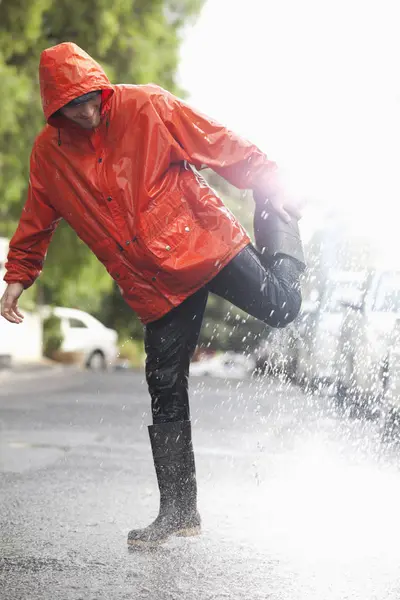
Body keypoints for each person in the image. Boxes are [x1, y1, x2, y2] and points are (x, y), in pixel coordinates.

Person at [1, 42, 306, 548]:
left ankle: (283, 219)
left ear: (100, 83)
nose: (85, 110)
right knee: (164, 384)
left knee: (283, 307)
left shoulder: (147, 105)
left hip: (205, 241)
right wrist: (19, 275)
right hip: (157, 283)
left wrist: (270, 182)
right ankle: (179, 511)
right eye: (71, 105)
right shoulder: (49, 155)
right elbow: (36, 220)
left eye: (90, 97)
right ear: (54, 109)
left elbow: (218, 143)